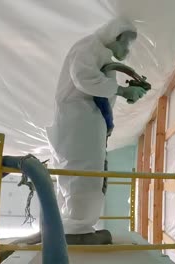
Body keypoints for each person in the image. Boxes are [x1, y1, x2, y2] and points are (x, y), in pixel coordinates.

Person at [46, 18, 146, 244]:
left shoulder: (98, 52)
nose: (127, 50)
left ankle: (74, 226)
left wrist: (121, 92)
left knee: (80, 173)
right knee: (85, 172)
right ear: (116, 36)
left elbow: (96, 86)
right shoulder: (90, 47)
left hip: (82, 123)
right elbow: (84, 79)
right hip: (79, 122)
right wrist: (121, 90)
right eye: (126, 43)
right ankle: (76, 230)